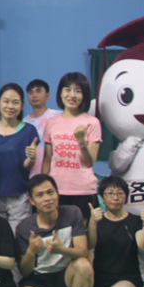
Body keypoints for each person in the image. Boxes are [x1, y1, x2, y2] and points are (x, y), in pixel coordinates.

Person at [14, 175, 95, 287]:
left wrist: (62, 250)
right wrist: (31, 252)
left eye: (50, 192)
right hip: (39, 280)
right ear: (32, 201)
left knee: (84, 265)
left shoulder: (72, 213)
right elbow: (25, 272)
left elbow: (83, 251)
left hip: (66, 277)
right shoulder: (24, 228)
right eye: (40, 195)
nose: (47, 198)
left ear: (58, 194)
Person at [87, 175, 144, 287]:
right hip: (100, 283)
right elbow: (90, 245)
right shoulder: (97, 221)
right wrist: (92, 223)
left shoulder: (135, 221)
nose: (115, 198)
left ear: (126, 196)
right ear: (103, 198)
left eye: (120, 193)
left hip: (128, 280)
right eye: (110, 193)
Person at [0, 84, 40, 232]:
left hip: (19, 195)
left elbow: (26, 166)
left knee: (18, 236)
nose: (10, 106)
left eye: (15, 102)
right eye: (6, 101)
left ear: (22, 105)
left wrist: (31, 158)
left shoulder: (29, 130)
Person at [42, 72, 101, 219]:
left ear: (84, 95)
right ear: (61, 93)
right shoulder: (51, 123)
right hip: (56, 189)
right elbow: (48, 159)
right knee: (58, 230)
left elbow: (90, 162)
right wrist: (43, 186)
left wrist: (81, 142)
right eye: (67, 90)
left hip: (84, 190)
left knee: (85, 230)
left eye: (78, 91)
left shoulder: (92, 122)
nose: (72, 95)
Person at [23, 79, 59, 177]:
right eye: (31, 92)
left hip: (56, 174)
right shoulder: (24, 123)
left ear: (47, 95)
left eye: (38, 91)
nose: (34, 95)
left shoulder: (57, 117)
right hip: (31, 176)